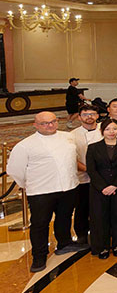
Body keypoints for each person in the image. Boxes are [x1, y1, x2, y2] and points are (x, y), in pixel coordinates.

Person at [7, 112, 90, 272]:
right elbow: (15, 170)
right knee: (40, 224)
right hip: (41, 191)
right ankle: (39, 256)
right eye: (44, 123)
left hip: (68, 186)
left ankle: (64, 243)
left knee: (64, 217)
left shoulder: (68, 137)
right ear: (35, 125)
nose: (50, 125)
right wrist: (27, 184)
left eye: (53, 121)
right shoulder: (26, 145)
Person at [85, 118, 117, 259]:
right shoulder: (93, 147)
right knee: (99, 218)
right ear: (101, 131)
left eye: (114, 128)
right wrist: (103, 187)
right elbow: (91, 170)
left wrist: (115, 185)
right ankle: (102, 247)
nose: (111, 132)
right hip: (99, 189)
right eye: (107, 129)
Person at [71, 104, 103, 246]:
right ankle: (82, 234)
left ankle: (102, 232)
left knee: (101, 207)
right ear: (79, 117)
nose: (89, 117)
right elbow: (72, 158)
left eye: (92, 114)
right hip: (83, 177)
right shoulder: (72, 135)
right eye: (85, 114)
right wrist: (89, 170)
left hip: (103, 177)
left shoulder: (105, 130)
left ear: (97, 116)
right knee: (82, 207)